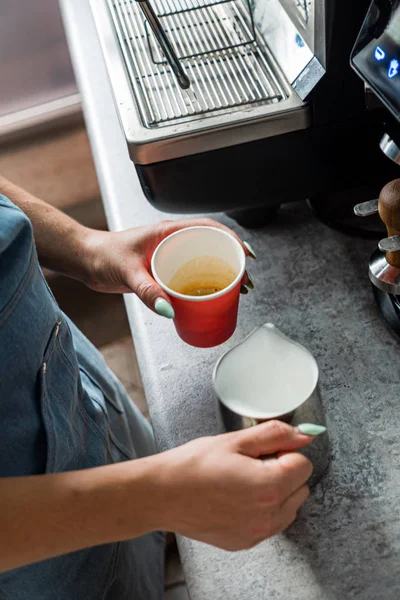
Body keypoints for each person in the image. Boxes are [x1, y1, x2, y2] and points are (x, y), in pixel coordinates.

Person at [0, 175, 317, 599]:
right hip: (31, 560)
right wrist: (155, 497)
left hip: (55, 360)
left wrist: (85, 247)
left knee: (140, 541)